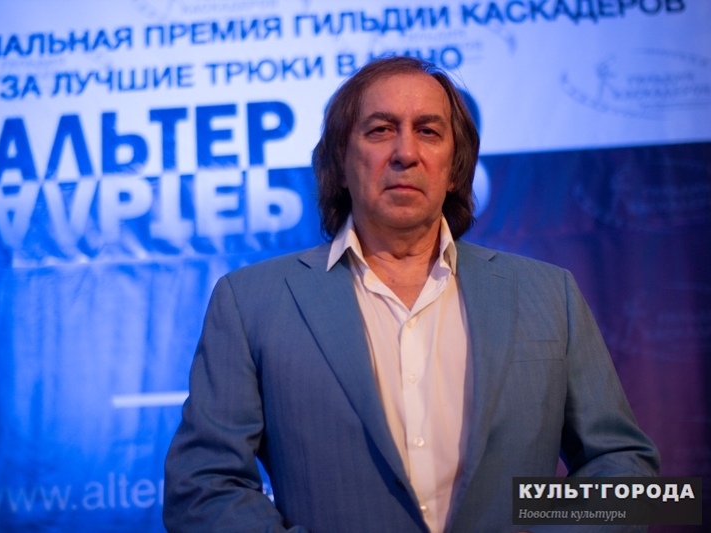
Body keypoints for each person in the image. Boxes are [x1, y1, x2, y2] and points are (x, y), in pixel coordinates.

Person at [163, 56, 659, 532]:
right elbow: (201, 487)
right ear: (341, 161)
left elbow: (629, 471)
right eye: (380, 130)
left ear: (454, 167)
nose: (405, 152)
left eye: (428, 131)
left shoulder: (549, 294)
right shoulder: (251, 302)